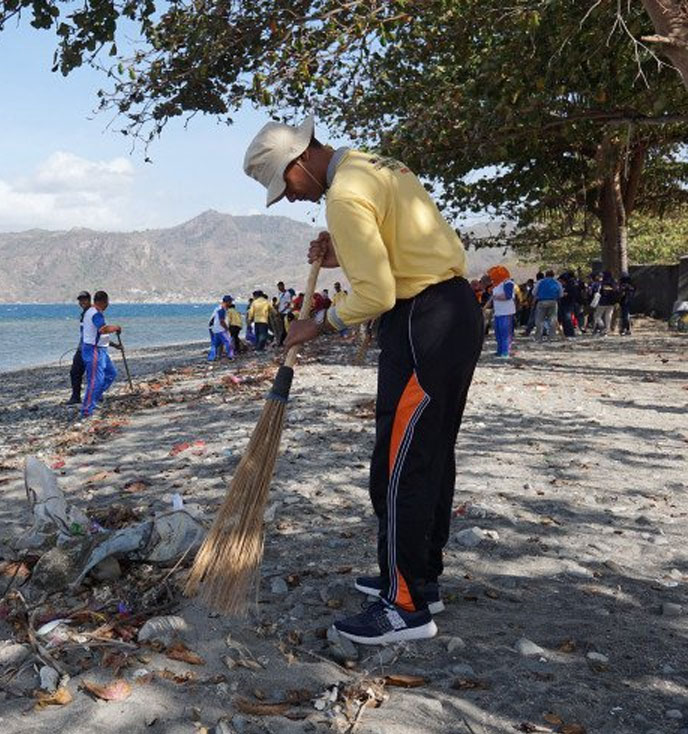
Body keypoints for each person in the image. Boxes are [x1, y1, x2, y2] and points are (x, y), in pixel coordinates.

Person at [247, 116, 482, 645]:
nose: (289, 198)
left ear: (300, 160)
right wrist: (342, 254)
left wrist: (319, 324)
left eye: (285, 186)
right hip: (453, 311)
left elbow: (376, 295)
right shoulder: (372, 165)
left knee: (399, 462)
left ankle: (404, 607)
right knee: (431, 452)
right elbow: (393, 248)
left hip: (423, 322)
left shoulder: (343, 197)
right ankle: (420, 577)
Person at [80, 291, 122, 417]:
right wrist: (116, 327)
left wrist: (114, 345)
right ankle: (87, 410)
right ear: (104, 302)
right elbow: (103, 329)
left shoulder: (95, 313)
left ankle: (94, 398)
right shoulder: (95, 314)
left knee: (111, 374)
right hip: (94, 350)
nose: (108, 304)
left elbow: (99, 335)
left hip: (102, 348)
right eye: (107, 302)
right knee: (95, 381)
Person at [69, 291, 92, 405]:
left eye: (84, 299)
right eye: (80, 300)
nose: (82, 302)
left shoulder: (93, 313)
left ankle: (94, 396)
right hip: (81, 348)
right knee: (75, 372)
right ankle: (75, 397)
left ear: (89, 300)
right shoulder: (83, 314)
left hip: (90, 348)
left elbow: (100, 330)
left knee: (91, 373)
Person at [488, 265, 516, 358]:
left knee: (505, 333)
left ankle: (505, 352)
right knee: (498, 333)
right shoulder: (497, 284)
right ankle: (499, 351)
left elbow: (507, 296)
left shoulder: (508, 283)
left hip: (506, 312)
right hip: (498, 312)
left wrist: (496, 297)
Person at [532, 270, 562, 342]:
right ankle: (552, 337)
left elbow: (534, 292)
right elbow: (561, 294)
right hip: (553, 302)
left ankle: (538, 338)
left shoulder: (540, 282)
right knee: (552, 320)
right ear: (553, 275)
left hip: (541, 302)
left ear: (545, 275)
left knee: (539, 320)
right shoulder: (557, 282)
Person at [208, 296, 236, 362]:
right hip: (221, 330)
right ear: (227, 302)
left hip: (216, 329)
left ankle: (211, 358)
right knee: (228, 343)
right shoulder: (222, 309)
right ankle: (231, 356)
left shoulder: (218, 308)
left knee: (215, 345)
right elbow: (221, 321)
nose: (231, 303)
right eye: (230, 301)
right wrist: (227, 328)